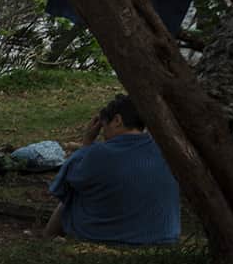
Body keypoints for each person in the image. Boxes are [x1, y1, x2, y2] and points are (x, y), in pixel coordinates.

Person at [44, 94, 180, 244]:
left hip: (108, 236)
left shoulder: (99, 153)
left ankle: (49, 236)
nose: (104, 134)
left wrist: (87, 142)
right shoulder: (165, 149)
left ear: (117, 120)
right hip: (164, 237)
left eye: (103, 126)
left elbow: (61, 187)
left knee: (73, 193)